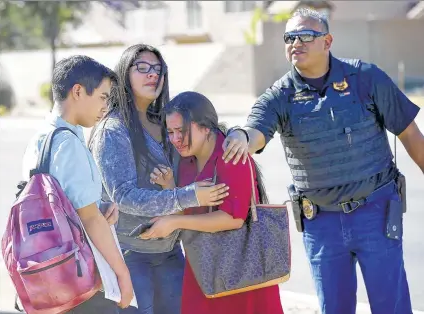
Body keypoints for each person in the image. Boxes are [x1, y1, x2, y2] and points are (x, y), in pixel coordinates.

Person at [221, 7, 424, 314]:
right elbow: (257, 130)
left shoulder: (366, 79)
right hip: (322, 223)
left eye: (305, 35)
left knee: (391, 307)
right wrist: (241, 137)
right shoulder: (280, 96)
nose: (295, 43)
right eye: (289, 37)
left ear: (327, 41)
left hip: (375, 214)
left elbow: (410, 135)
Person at [89, 44, 229, 314]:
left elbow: (206, 140)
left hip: (171, 253)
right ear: (124, 73)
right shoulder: (113, 129)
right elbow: (125, 197)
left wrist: (235, 135)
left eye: (157, 69)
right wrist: (189, 195)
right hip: (129, 256)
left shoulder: (166, 123)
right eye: (142, 67)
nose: (152, 74)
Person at [140, 91, 284, 314]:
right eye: (170, 132)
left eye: (182, 131)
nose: (175, 139)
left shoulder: (231, 155)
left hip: (243, 274)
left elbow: (233, 219)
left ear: (206, 127)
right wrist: (170, 188)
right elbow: (190, 213)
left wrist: (175, 223)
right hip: (203, 269)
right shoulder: (184, 160)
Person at [22, 55, 134, 313]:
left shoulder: (40, 138)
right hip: (79, 279)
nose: (106, 107)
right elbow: (90, 219)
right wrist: (122, 274)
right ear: (78, 91)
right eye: (104, 97)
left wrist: (96, 204)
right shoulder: (68, 144)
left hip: (47, 275)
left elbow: (54, 203)